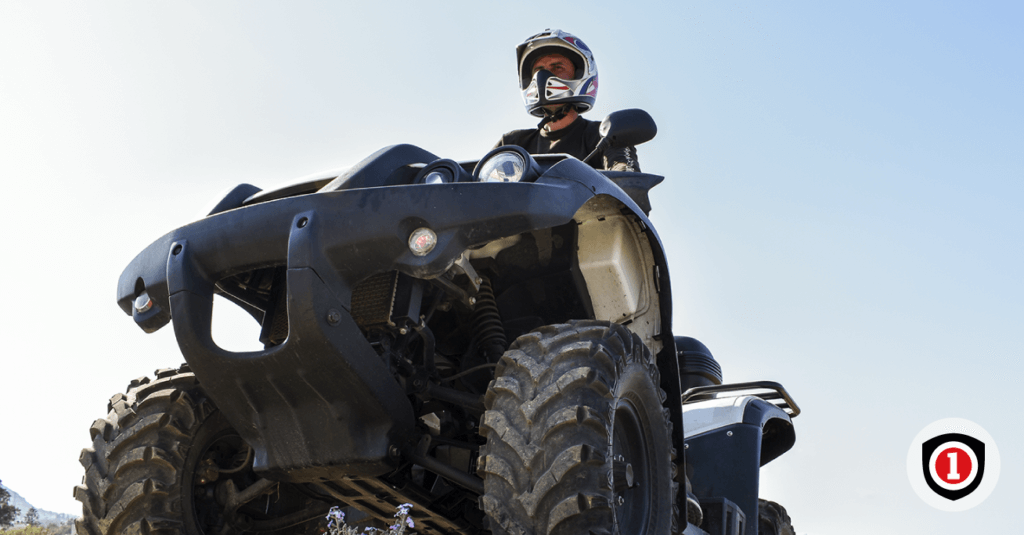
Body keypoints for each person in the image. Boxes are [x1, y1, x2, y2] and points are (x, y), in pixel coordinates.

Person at [494, 29, 640, 172]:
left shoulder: (605, 136)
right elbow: (476, 182)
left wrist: (623, 170)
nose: (544, 77)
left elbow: (625, 173)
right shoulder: (513, 144)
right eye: (539, 70)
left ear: (580, 74)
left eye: (557, 67)